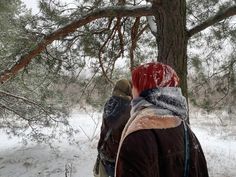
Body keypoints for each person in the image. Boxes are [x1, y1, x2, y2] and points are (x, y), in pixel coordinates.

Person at [115, 62, 209, 177]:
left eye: (134, 86)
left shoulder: (139, 134)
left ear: (143, 89)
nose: (132, 91)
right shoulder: (184, 127)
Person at [94, 79, 132, 177]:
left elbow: (104, 128)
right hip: (119, 158)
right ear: (128, 90)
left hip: (105, 153)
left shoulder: (109, 103)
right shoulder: (130, 108)